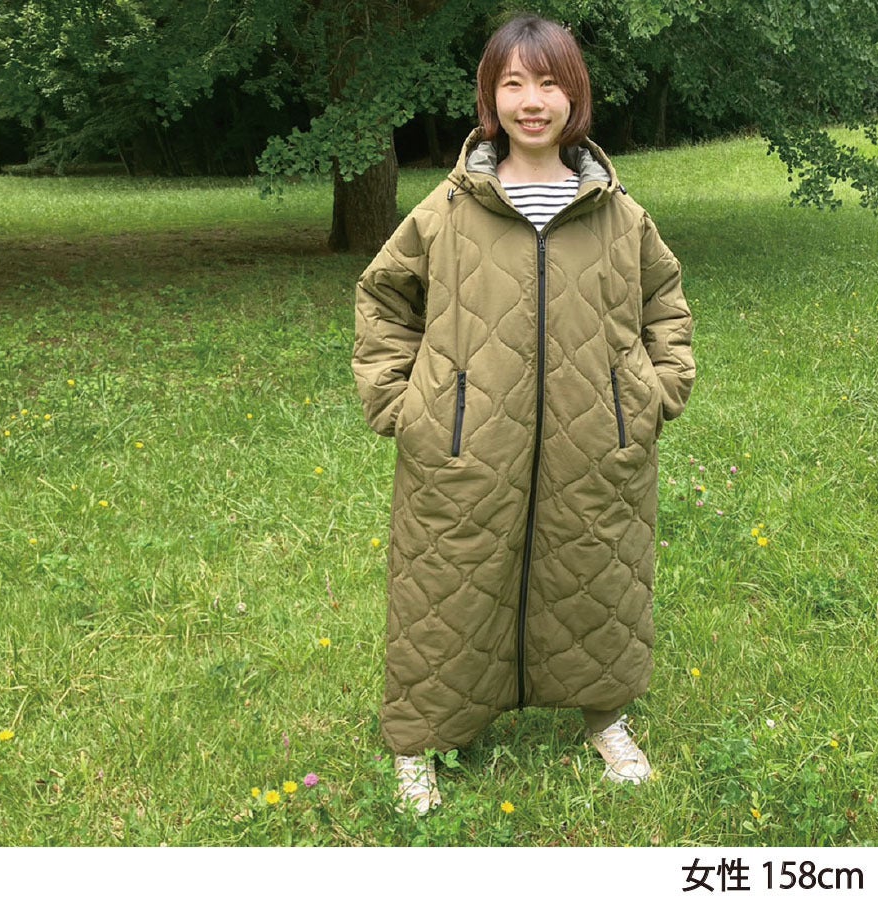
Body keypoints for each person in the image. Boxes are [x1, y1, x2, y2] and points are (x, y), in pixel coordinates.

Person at [352, 13, 695, 815]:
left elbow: (665, 304)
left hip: (598, 442)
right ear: (490, 96)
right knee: (443, 586)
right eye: (513, 84)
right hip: (462, 445)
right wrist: (403, 403)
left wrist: (653, 393)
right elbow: (384, 298)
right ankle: (419, 741)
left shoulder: (617, 212)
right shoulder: (448, 209)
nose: (531, 101)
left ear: (574, 96)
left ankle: (604, 717)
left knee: (599, 576)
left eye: (548, 83)